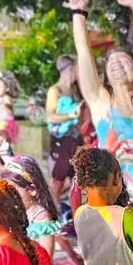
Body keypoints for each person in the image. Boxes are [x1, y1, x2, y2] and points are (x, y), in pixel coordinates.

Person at [65, 0, 133, 265]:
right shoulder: (101, 104)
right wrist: (78, 14)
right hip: (111, 196)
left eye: (124, 60)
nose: (116, 64)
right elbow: (84, 55)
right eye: (111, 64)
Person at [46, 54, 83, 202]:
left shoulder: (75, 90)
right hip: (61, 140)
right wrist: (71, 115)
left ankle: (75, 215)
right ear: (70, 68)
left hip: (76, 139)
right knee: (58, 180)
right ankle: (52, 213)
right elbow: (50, 116)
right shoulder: (55, 90)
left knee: (77, 178)